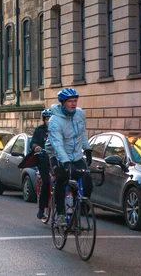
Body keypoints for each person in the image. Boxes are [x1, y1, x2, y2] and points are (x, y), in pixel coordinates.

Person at [45, 88, 93, 227]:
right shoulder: (55, 121)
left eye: (75, 101)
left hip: (76, 155)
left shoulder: (80, 114)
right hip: (57, 154)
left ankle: (81, 206)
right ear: (62, 103)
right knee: (62, 179)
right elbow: (57, 144)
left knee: (87, 180)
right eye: (70, 101)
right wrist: (65, 162)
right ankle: (60, 214)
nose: (73, 104)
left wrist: (87, 148)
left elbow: (82, 133)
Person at [30, 109, 53, 221]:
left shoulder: (57, 130)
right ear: (44, 120)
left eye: (51, 119)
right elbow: (33, 142)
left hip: (55, 160)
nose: (49, 121)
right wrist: (36, 147)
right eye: (47, 119)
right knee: (47, 181)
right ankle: (41, 208)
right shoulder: (39, 131)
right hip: (43, 160)